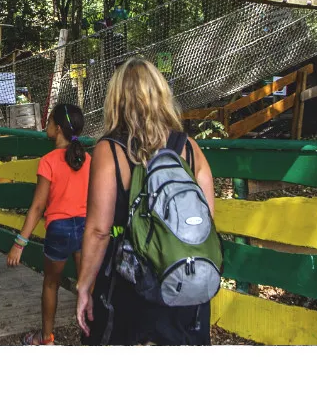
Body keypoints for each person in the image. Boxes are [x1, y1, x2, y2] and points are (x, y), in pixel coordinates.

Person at [73, 58, 215, 346]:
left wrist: (84, 287)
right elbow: (206, 219)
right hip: (183, 281)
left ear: (116, 99)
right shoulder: (189, 148)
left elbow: (99, 231)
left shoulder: (110, 150)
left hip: (131, 287)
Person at [6, 103, 91, 346]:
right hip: (85, 229)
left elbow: (37, 206)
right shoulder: (88, 159)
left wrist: (20, 243)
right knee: (86, 285)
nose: (47, 125)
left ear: (59, 128)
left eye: (50, 121)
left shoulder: (49, 161)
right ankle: (91, 336)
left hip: (59, 230)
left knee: (51, 284)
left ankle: (47, 339)